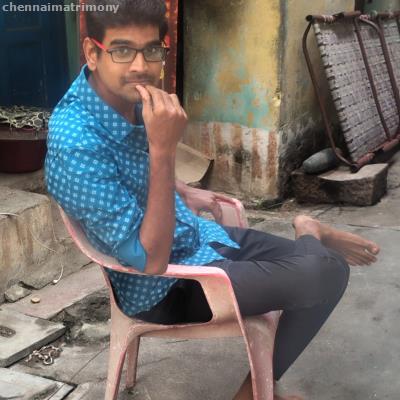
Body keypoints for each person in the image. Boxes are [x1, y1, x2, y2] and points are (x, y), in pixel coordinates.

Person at [45, 1, 380, 399]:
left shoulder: (119, 95)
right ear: (92, 52)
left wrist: (179, 188)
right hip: (165, 287)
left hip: (196, 236)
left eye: (151, 50)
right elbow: (150, 262)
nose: (140, 66)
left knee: (325, 270)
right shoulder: (76, 143)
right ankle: (308, 232)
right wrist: (164, 151)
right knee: (325, 272)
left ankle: (255, 389)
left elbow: (130, 172)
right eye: (121, 50)